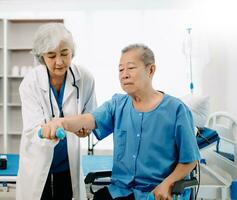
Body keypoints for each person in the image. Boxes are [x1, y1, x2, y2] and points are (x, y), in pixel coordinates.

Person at [40, 43, 201, 200]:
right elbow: (88, 120)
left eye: (130, 68)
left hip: (156, 193)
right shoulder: (117, 104)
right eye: (120, 70)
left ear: (150, 70)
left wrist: (168, 183)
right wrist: (60, 123)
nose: (124, 74)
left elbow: (190, 159)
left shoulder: (176, 110)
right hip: (120, 191)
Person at [16, 23, 97, 200]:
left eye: (65, 54)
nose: (59, 61)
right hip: (38, 163)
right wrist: (45, 131)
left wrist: (86, 130)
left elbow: (91, 116)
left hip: (68, 165)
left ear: (72, 52)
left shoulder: (85, 78)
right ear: (41, 56)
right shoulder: (30, 83)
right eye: (51, 56)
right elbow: (32, 129)